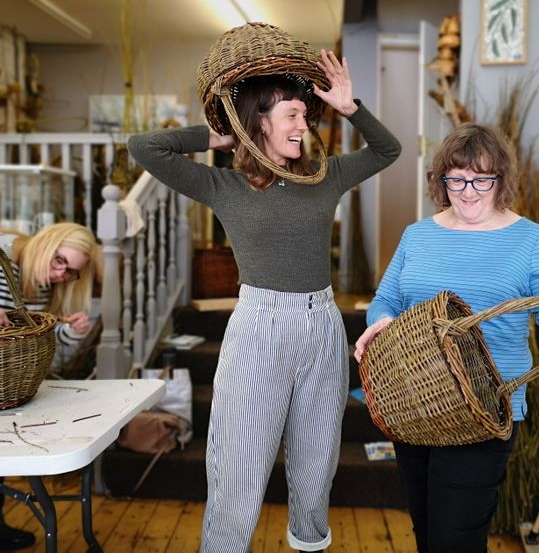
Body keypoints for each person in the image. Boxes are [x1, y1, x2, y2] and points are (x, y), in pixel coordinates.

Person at [128, 47, 401, 552]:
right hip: (258, 327)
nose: (303, 124)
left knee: (317, 463)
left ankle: (309, 543)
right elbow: (143, 146)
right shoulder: (222, 185)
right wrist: (217, 135)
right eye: (292, 114)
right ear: (261, 121)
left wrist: (350, 107)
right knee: (239, 462)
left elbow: (388, 151)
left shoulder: (326, 177)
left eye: (304, 114)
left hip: (321, 326)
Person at [354, 123, 539, 553]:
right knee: (427, 529)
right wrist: (379, 322)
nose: (468, 191)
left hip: (484, 411)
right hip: (415, 404)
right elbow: (386, 300)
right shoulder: (417, 235)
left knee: (456, 540)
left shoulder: (530, 240)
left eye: (481, 180)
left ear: (501, 181)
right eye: (456, 179)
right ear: (441, 180)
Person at [0, 222, 98, 553]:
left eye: (71, 271)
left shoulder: (40, 282)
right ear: (46, 242)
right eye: (60, 260)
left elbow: (29, 340)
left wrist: (71, 333)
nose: (61, 274)